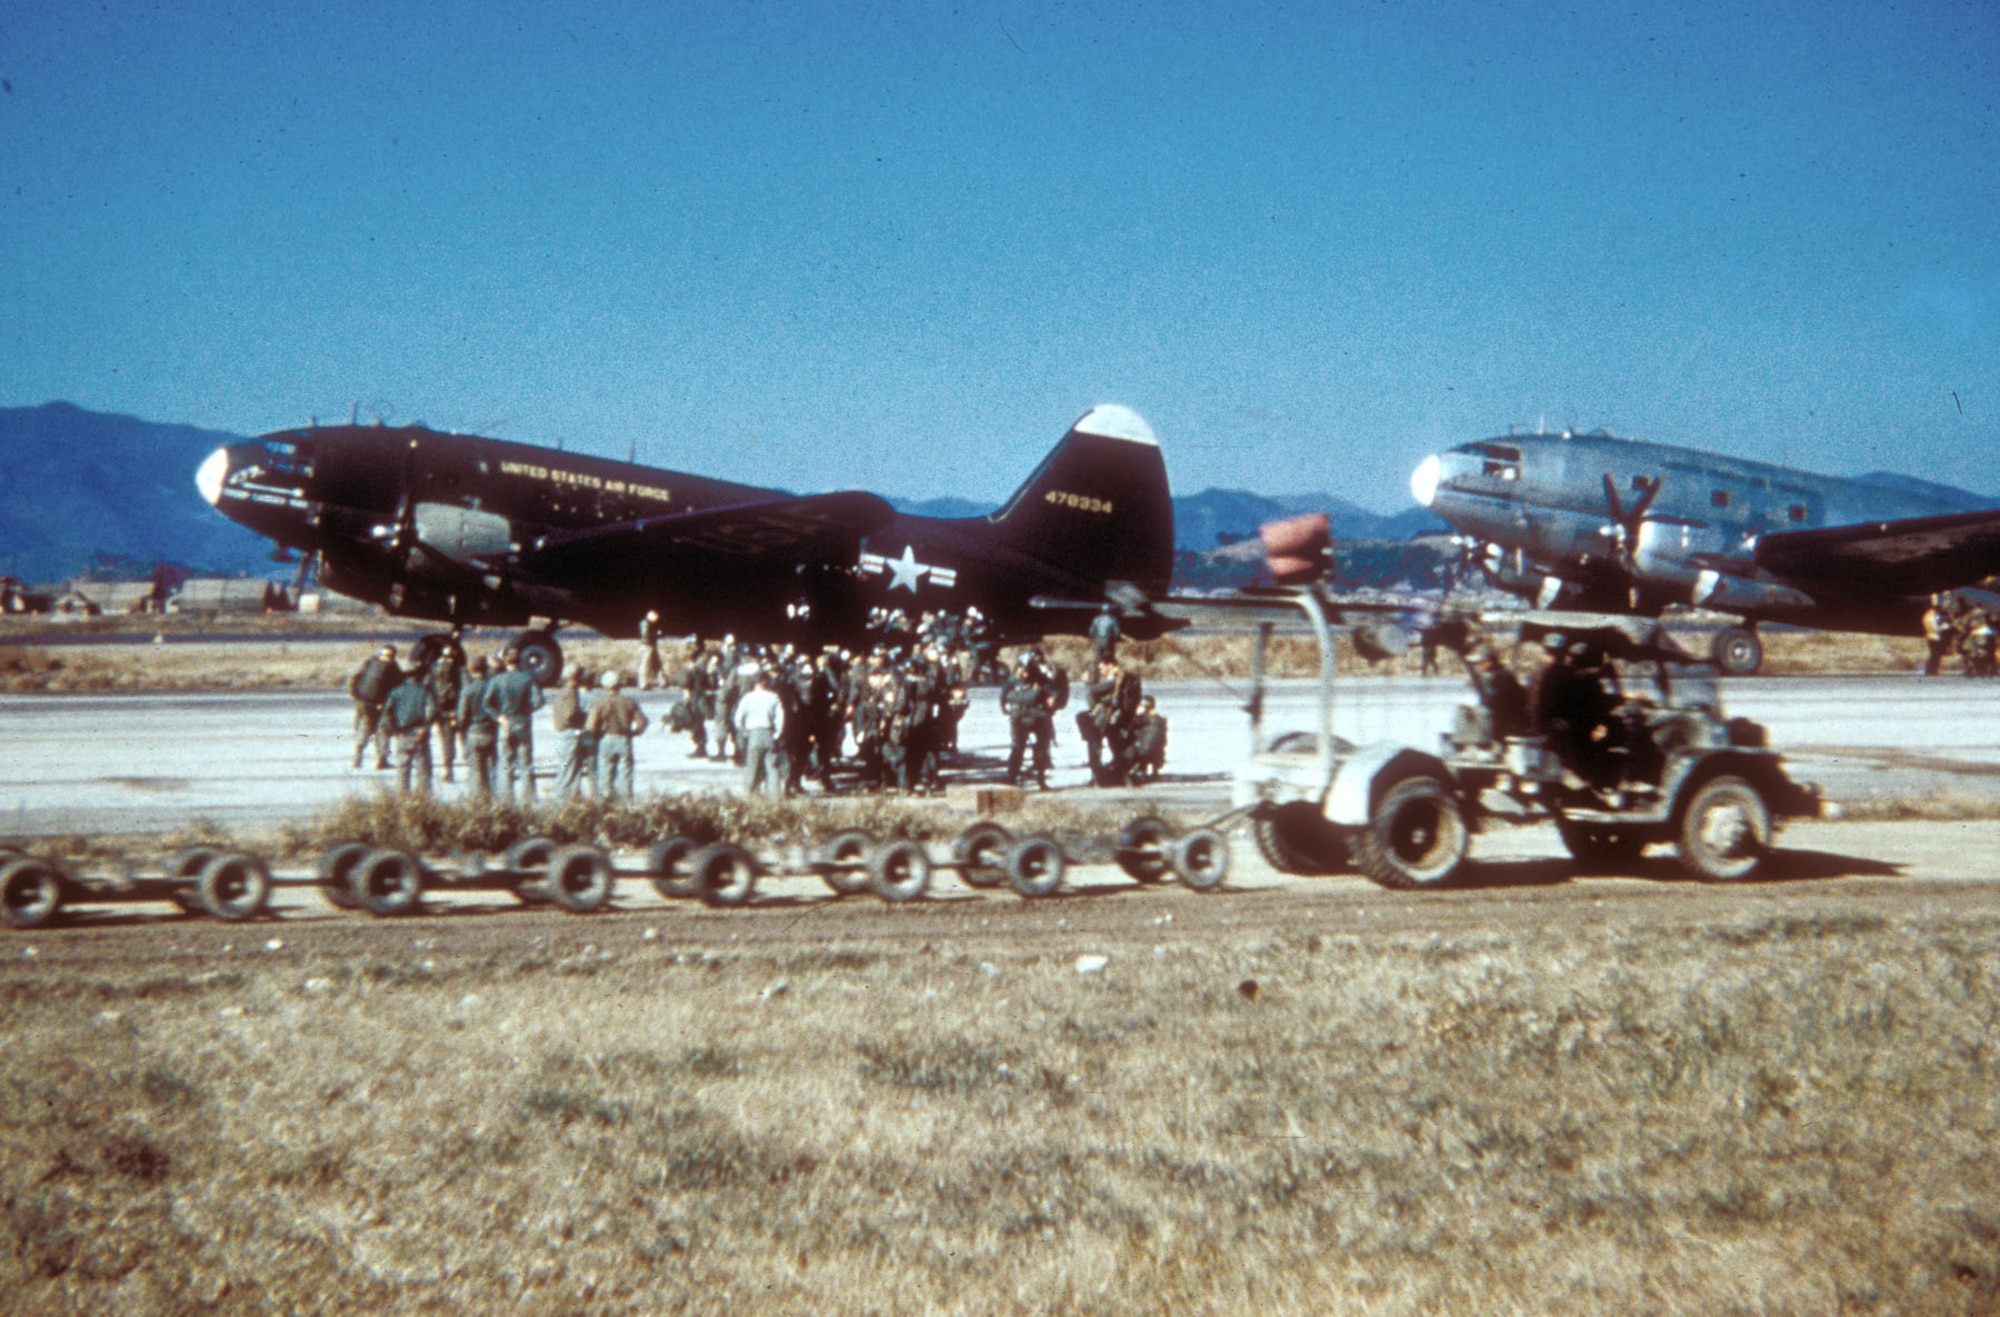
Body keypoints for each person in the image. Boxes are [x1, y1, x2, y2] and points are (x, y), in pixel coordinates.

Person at [1529, 638, 1622, 787]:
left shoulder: (1563, 748)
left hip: (1567, 705)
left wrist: (1600, 671)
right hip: (1571, 708)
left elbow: (1574, 680)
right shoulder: (1565, 750)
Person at [481, 649, 545, 803]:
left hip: (505, 723)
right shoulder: (527, 679)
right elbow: (539, 701)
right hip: (522, 722)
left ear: (505, 662)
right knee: (525, 764)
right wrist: (527, 711)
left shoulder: (497, 680)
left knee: (505, 763)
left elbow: (486, 703)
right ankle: (529, 800)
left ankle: (506, 799)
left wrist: (498, 716)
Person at [587, 670, 650, 800]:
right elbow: (642, 722)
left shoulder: (599, 703)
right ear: (619, 685)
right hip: (624, 739)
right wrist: (633, 733)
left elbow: (591, 726)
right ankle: (625, 805)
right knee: (625, 776)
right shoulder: (629, 702)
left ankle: (606, 804)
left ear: (604, 686)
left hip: (606, 739)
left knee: (604, 776)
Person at [1078, 655, 1141, 785]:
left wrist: (1087, 683)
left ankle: (1097, 776)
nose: (1101, 671)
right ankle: (1123, 776)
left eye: (1102, 668)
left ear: (1110, 665)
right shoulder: (1130, 678)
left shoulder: (1115, 679)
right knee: (1116, 747)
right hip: (1123, 717)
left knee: (1091, 736)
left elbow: (1092, 693)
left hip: (1108, 717)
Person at [380, 668, 437, 794]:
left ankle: (403, 796)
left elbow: (386, 714)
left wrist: (395, 731)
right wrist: (426, 727)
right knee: (423, 769)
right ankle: (424, 797)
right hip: (420, 735)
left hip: (403, 734)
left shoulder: (395, 692)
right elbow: (433, 709)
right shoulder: (424, 691)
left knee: (402, 769)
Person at [347, 644, 403, 771]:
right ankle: (380, 761)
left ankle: (356, 759)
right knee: (382, 731)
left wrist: (353, 693)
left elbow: (354, 676)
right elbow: (397, 686)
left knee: (364, 729)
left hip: (363, 702)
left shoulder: (369, 662)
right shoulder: (393, 667)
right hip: (380, 705)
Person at [1002, 654, 1054, 788]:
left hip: (1037, 717)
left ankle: (1041, 779)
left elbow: (1050, 697)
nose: (1025, 673)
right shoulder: (1013, 680)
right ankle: (1012, 777)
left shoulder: (1041, 680)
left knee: (1041, 749)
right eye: (1022, 669)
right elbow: (1004, 696)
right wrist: (1006, 707)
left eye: (1028, 670)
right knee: (1017, 747)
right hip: (1018, 717)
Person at [734, 671, 786, 796]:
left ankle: (750, 795)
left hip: (754, 734)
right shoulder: (773, 697)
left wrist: (744, 732)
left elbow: (738, 718)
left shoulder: (748, 698)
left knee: (752, 767)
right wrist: (777, 733)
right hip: (769, 733)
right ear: (766, 682)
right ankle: (775, 797)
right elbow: (780, 718)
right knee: (772, 768)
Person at [456, 656, 499, 796]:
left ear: (471, 670)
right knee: (492, 769)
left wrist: (460, 730)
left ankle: (477, 803)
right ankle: (493, 801)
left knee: (475, 771)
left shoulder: (467, 690)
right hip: (491, 732)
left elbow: (462, 716)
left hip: (474, 732)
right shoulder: (493, 687)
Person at [549, 668, 594, 798]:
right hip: (570, 734)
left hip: (562, 733)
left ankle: (567, 797)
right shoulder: (570, 693)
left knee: (567, 769)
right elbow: (570, 714)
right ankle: (567, 799)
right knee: (570, 771)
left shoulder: (562, 692)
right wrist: (583, 718)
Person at [422, 647, 464, 783]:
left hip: (433, 708)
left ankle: (424, 770)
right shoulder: (458, 671)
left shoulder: (433, 668)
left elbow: (425, 686)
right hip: (449, 711)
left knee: (421, 736)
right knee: (448, 741)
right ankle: (448, 771)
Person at [1128, 695, 1168, 783]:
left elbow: (1131, 728)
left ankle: (1141, 770)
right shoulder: (1161, 719)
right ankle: (1155, 771)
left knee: (1139, 745)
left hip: (1142, 752)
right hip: (1158, 753)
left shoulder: (1140, 718)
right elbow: (1164, 741)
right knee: (1156, 745)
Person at [1922, 593, 1955, 677]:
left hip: (1932, 636)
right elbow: (1935, 628)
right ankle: (1931, 671)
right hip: (1934, 637)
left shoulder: (1928, 616)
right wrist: (1946, 626)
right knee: (1935, 655)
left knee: (1935, 655)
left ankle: (1932, 670)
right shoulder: (1930, 617)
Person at [637, 610, 665, 690]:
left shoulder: (649, 624)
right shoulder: (645, 624)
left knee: (657, 664)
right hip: (647, 646)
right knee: (645, 665)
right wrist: (657, 634)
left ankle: (662, 681)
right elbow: (645, 635)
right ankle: (643, 684)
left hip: (651, 646)